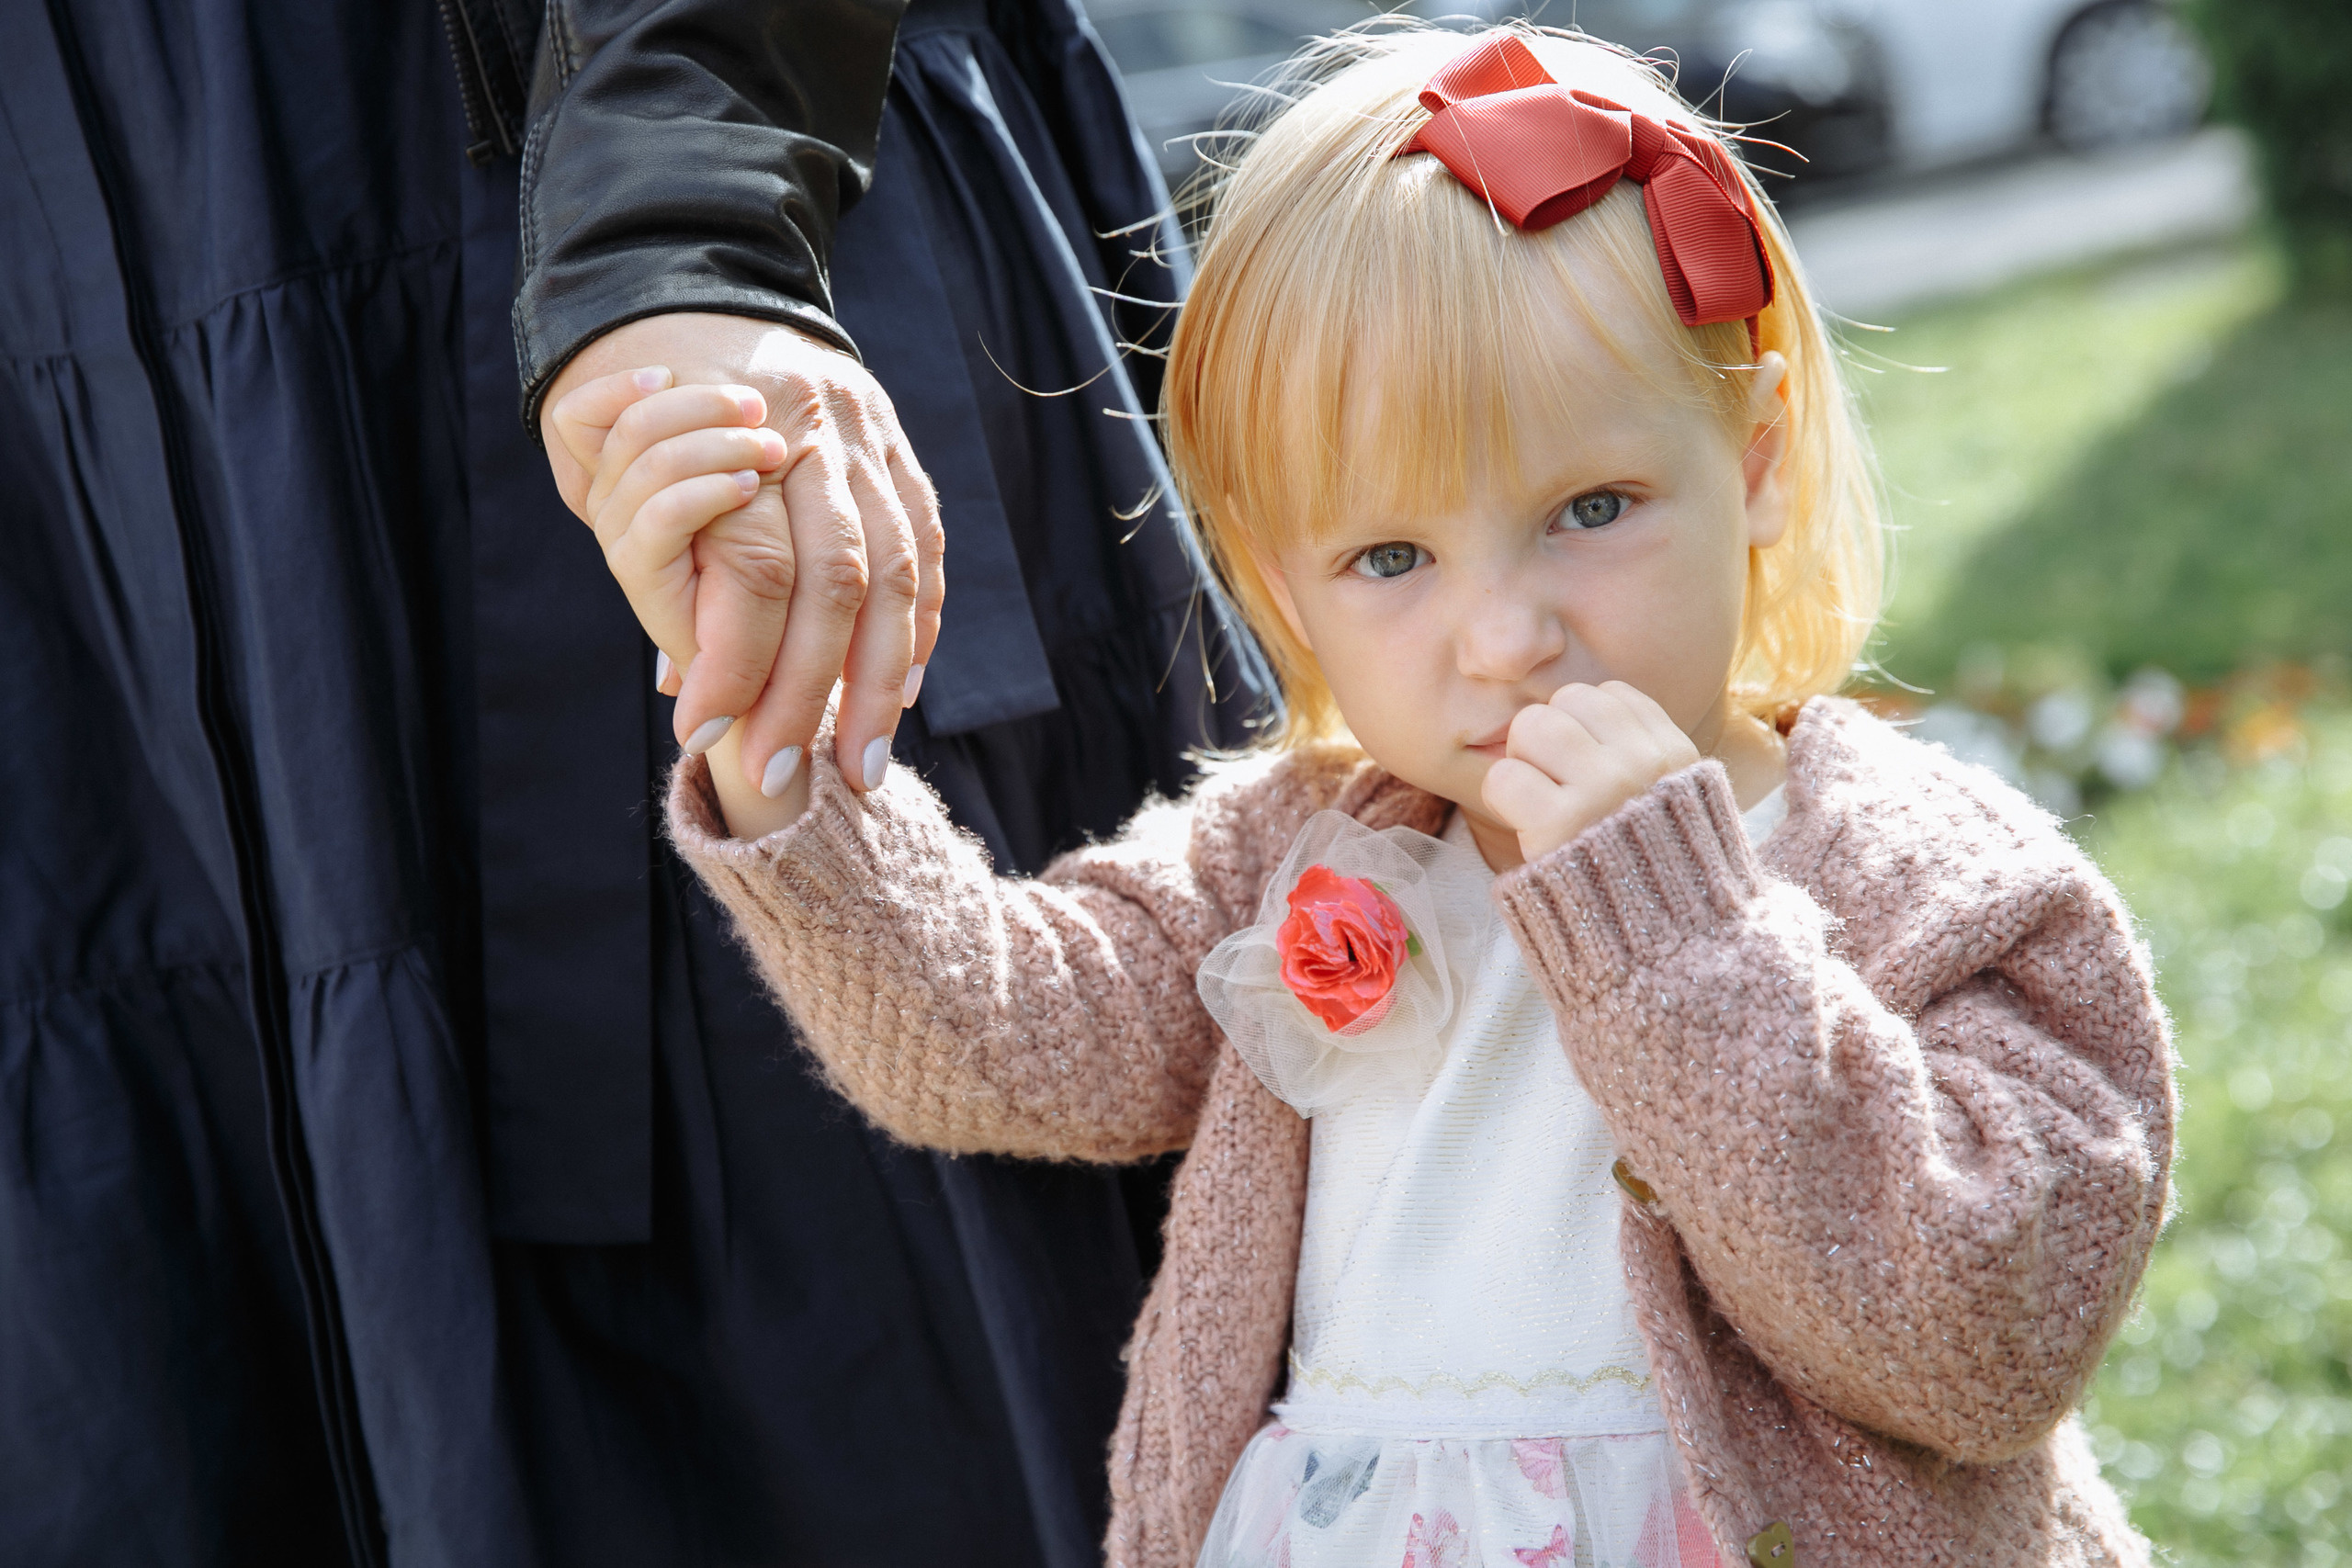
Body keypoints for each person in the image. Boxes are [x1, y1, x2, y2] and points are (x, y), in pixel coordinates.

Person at [584, 23, 2176, 1568]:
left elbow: (1981, 1342)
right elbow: (992, 1037)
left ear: (1752, 458)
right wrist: (774, 740)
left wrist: (1680, 927)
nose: (1505, 637)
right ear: (1285, 586)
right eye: (1393, 559)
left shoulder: (1935, 884)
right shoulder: (1297, 850)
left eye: (1593, 507)